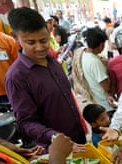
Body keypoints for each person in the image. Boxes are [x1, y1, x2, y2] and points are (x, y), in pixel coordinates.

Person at [5, 7, 86, 151]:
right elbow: (26, 122)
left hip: (78, 139)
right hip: (54, 151)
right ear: (15, 37)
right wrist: (56, 138)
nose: (40, 47)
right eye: (31, 42)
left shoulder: (52, 61)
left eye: (44, 40)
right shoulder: (16, 77)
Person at [71, 27, 115, 115]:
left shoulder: (82, 54)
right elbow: (106, 87)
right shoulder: (95, 62)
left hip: (94, 102)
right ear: (101, 45)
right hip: (105, 106)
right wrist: (108, 68)